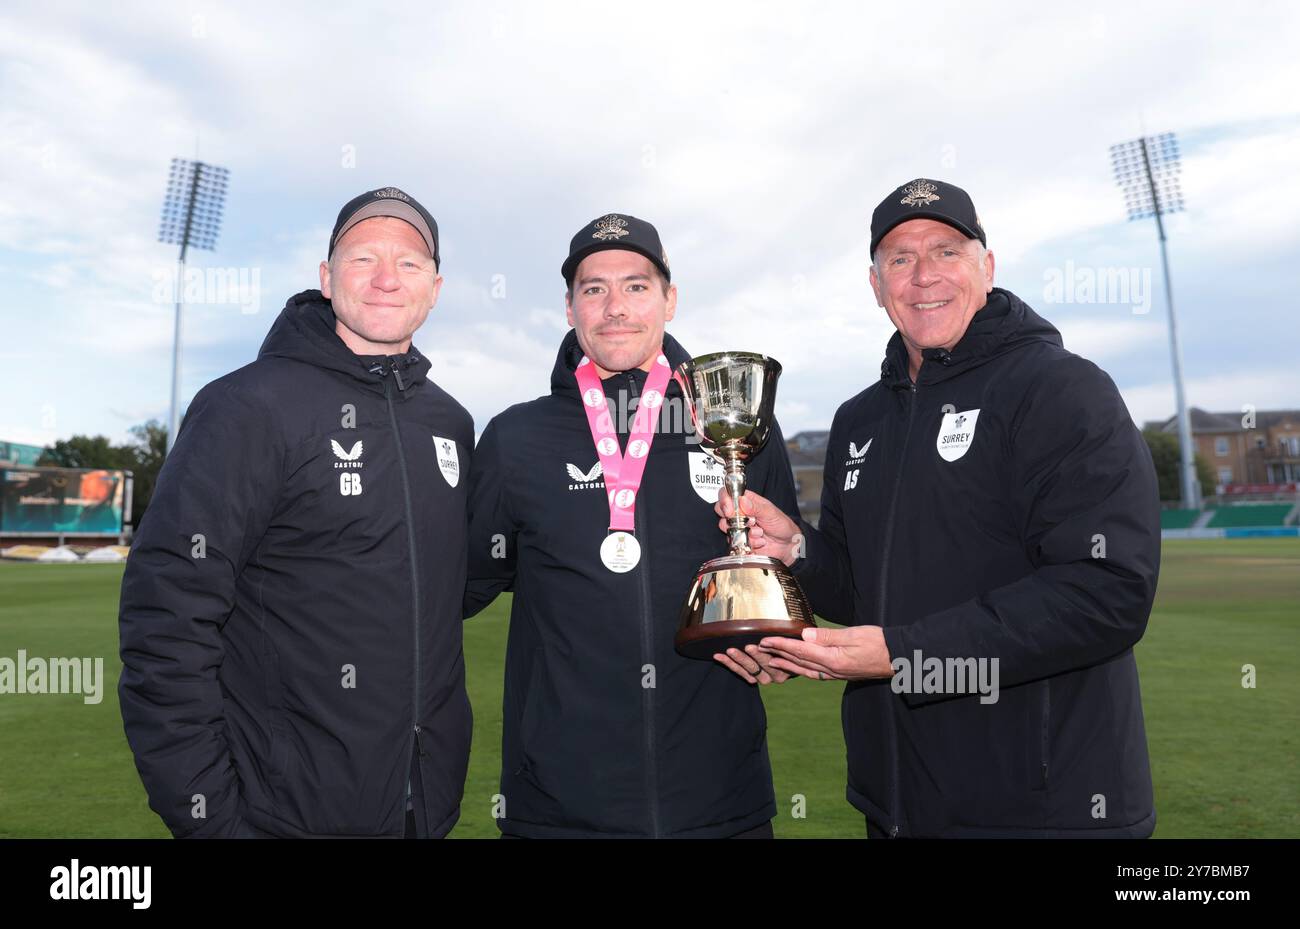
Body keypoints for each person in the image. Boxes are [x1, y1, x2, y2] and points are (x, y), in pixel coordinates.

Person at [716, 179, 1161, 838]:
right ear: (875, 284)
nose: (923, 275)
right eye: (899, 257)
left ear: (987, 265)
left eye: (946, 251)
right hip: (897, 806)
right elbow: (862, 587)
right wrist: (799, 553)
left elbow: (1106, 592)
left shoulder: (1061, 389)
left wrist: (904, 654)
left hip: (1043, 811)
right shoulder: (861, 418)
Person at [119, 186, 474, 838]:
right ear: (326, 276)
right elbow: (165, 623)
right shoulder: (247, 406)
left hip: (423, 812)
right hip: (283, 818)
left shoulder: (449, 422)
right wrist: (213, 821)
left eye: (410, 262)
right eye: (363, 257)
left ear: (436, 286)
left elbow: (461, 583)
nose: (387, 278)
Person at [465, 213, 802, 838]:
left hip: (721, 802)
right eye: (593, 289)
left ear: (670, 300)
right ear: (570, 308)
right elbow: (460, 587)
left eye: (637, 286)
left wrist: (782, 640)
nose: (614, 306)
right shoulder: (516, 438)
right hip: (559, 809)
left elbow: (783, 565)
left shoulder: (735, 422)